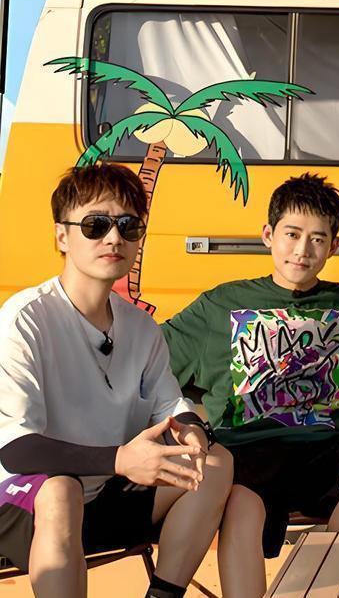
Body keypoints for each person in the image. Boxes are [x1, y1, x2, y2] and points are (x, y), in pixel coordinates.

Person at [162, 173, 339, 595]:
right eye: (292, 234)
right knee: (241, 506)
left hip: (327, 452)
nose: (303, 250)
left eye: (318, 239)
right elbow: (148, 365)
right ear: (268, 235)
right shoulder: (219, 305)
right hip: (244, 455)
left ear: (333, 246)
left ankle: (320, 586)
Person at [0, 164, 234, 598]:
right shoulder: (25, 318)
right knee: (60, 490)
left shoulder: (141, 328)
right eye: (96, 225)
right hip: (21, 504)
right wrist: (122, 459)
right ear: (62, 236)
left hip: (104, 494)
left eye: (129, 226)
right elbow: (15, 449)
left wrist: (192, 431)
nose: (114, 238)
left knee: (216, 463)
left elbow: (171, 405)